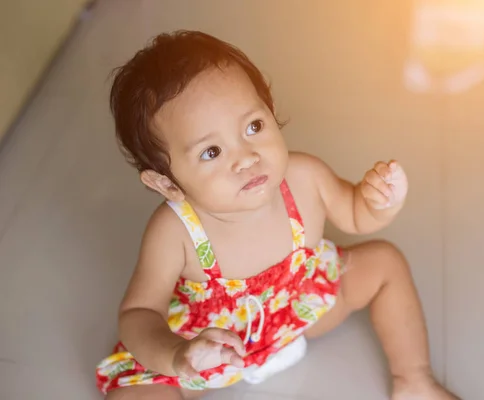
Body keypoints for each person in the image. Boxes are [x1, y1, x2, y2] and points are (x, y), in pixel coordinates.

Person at [95, 30, 460, 400]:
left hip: (298, 310)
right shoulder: (174, 231)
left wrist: (379, 202)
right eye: (212, 152)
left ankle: (415, 380)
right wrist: (177, 356)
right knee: (134, 395)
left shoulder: (304, 177)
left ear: (269, 109)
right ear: (167, 183)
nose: (247, 157)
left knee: (385, 263)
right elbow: (139, 314)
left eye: (253, 127)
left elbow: (355, 213)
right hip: (207, 347)